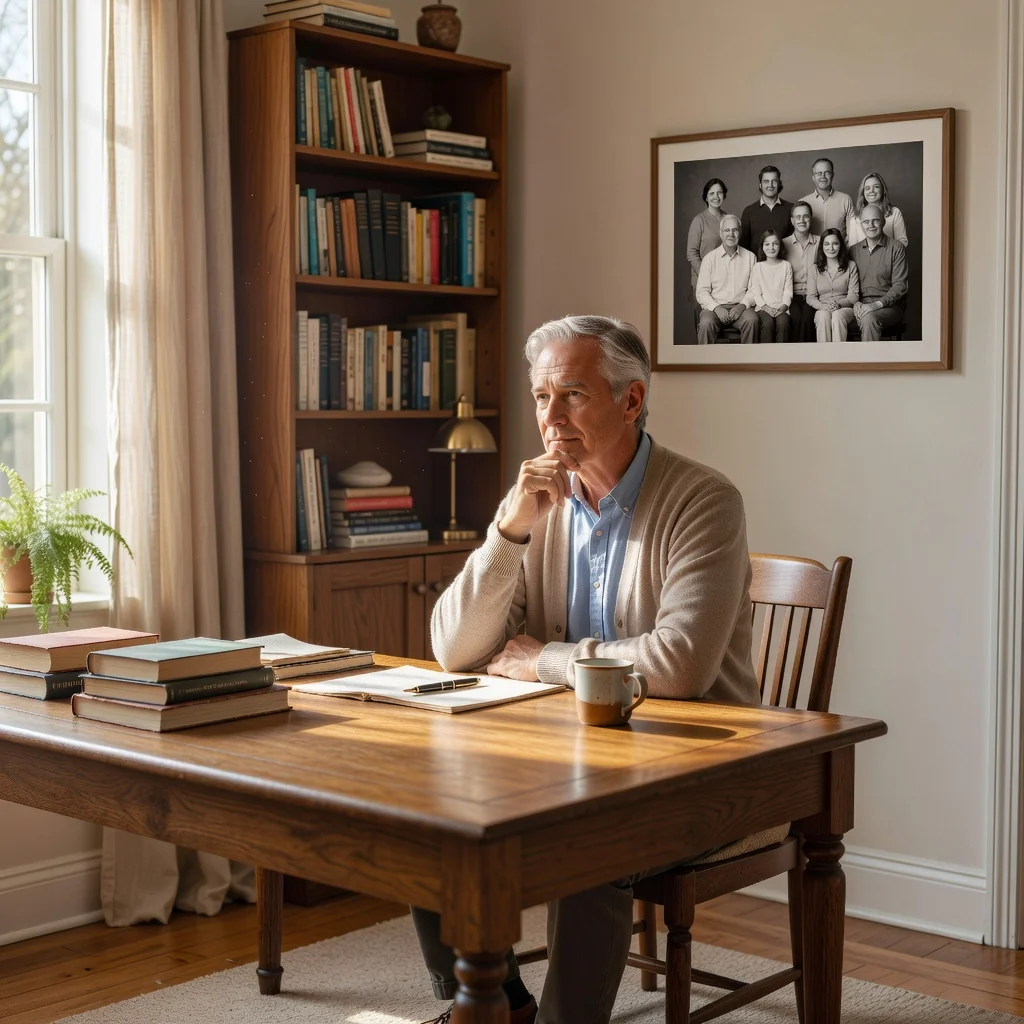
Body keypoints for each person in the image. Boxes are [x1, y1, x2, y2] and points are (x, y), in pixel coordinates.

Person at [413, 315, 762, 1024]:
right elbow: (453, 646)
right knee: (428, 814)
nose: (550, 418)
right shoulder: (542, 504)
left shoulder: (705, 501)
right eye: (542, 398)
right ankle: (491, 1005)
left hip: (700, 767)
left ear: (631, 401)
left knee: (591, 843)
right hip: (565, 754)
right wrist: (509, 530)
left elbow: (680, 665)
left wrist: (542, 659)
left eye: (571, 394)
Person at [694, 215, 759, 344]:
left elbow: (754, 289)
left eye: (735, 230)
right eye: (727, 230)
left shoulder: (750, 257)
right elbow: (702, 292)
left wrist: (742, 305)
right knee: (706, 323)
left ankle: (749, 362)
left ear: (740, 232)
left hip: (741, 307)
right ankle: (706, 363)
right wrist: (716, 307)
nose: (731, 234)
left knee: (752, 320)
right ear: (721, 233)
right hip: (715, 307)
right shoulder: (709, 259)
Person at [848, 203, 909, 340]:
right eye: (866, 222)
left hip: (889, 307)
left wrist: (875, 305)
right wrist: (855, 303)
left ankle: (868, 361)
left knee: (868, 318)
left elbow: (900, 285)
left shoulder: (897, 248)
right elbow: (848, 284)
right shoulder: (853, 251)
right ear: (861, 225)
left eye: (875, 220)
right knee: (836, 317)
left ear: (883, 222)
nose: (871, 225)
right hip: (860, 305)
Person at [806, 228, 860, 343]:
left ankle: (839, 358)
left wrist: (838, 304)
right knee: (822, 316)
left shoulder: (851, 266)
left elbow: (854, 296)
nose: (830, 248)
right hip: (823, 307)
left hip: (845, 309)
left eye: (835, 243)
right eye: (827, 244)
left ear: (840, 245)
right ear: (822, 246)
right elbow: (810, 297)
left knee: (837, 315)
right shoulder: (814, 269)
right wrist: (823, 307)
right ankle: (824, 358)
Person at [743, 229, 793, 343]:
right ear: (762, 246)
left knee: (783, 322)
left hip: (782, 308)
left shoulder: (786, 266)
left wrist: (783, 307)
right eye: (767, 244)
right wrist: (767, 308)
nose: (771, 247)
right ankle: (766, 358)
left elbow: (788, 291)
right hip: (763, 308)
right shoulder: (758, 267)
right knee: (767, 323)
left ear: (780, 246)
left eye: (775, 244)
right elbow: (756, 293)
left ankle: (781, 358)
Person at [781, 201, 819, 343]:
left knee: (808, 318)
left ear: (811, 218)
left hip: (814, 294)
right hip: (791, 295)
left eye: (805, 216)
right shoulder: (783, 244)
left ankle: (809, 360)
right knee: (795, 319)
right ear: (792, 220)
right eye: (798, 217)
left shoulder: (821, 243)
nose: (802, 220)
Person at [685, 177, 729, 295]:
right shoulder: (699, 221)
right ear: (706, 197)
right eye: (712, 193)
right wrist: (706, 276)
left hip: (726, 280)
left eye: (719, 192)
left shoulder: (729, 219)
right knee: (705, 313)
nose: (716, 196)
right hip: (703, 280)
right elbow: (691, 253)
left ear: (724, 195)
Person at [846, 171, 909, 248]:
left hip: (890, 258)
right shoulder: (855, 217)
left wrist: (886, 256)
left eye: (876, 187)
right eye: (867, 188)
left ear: (882, 190)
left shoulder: (894, 212)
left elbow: (902, 242)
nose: (871, 191)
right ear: (863, 192)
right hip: (863, 259)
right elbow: (852, 247)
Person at [738, 165, 793, 253]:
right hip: (756, 265)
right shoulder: (749, 211)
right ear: (760, 185)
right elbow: (743, 247)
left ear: (779, 183)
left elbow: (794, 243)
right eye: (766, 181)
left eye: (774, 181)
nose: (770, 185)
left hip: (784, 264)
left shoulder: (791, 209)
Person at [801, 157, 855, 238]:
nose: (823, 177)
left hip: (840, 250)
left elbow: (852, 234)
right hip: (812, 250)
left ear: (832, 175)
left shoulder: (845, 200)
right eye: (819, 173)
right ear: (813, 177)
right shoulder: (803, 203)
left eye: (827, 173)